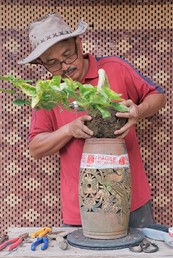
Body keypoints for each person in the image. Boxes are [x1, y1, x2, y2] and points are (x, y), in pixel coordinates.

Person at [18, 13, 166, 228]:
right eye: (53, 63)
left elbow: (158, 96)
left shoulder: (115, 68)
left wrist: (138, 111)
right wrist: (68, 129)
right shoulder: (47, 93)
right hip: (82, 209)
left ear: (79, 43)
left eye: (68, 55)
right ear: (42, 63)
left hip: (131, 201)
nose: (65, 67)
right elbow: (35, 149)